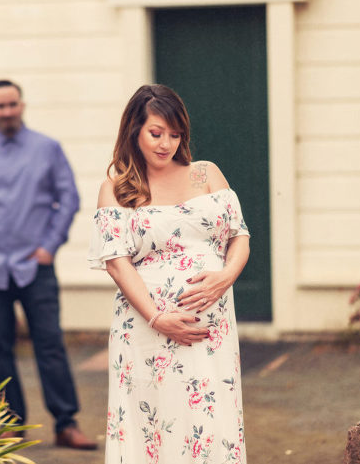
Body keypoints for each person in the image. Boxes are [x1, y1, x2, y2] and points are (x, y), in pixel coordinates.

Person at [88, 84, 251, 463]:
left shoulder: (204, 174)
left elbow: (239, 235)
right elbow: (116, 261)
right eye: (156, 133)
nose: (166, 144)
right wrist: (158, 317)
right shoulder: (117, 188)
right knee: (154, 420)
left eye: (175, 135)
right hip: (146, 325)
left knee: (210, 417)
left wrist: (226, 277)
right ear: (135, 131)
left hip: (212, 325)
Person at [0, 79, 97, 450]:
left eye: (13, 104)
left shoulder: (48, 149)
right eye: (0, 106)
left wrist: (50, 247)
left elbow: (70, 198)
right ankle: (11, 424)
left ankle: (66, 423)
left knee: (50, 344)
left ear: (22, 105)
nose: (7, 111)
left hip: (36, 267)